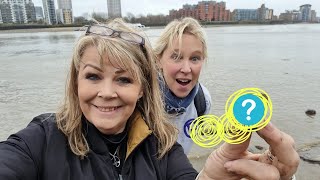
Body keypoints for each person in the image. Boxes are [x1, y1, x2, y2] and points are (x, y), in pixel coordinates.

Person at [0, 19, 299, 180]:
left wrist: (212, 175)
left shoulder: (163, 146)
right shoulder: (40, 139)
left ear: (142, 88)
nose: (106, 92)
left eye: (123, 79)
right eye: (92, 76)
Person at [154, 17, 212, 154]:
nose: (186, 69)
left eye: (195, 58)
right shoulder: (139, 98)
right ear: (158, 60)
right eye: (176, 57)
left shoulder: (203, 101)